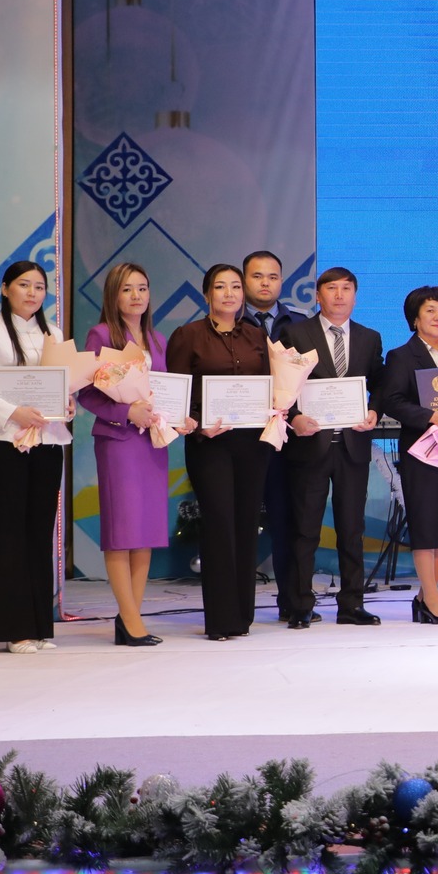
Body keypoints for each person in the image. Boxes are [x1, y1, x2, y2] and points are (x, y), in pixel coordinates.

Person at [0, 260, 69, 654]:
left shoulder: (53, 334)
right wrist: (12, 412)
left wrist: (66, 403)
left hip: (48, 443)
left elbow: (62, 384)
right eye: (24, 285)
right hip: (2, 442)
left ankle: (38, 627)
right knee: (10, 533)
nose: (32, 293)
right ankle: (14, 629)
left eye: (39, 286)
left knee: (39, 532)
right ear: (5, 289)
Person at [79, 262, 192, 647]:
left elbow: (163, 391)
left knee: (145, 532)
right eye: (127, 289)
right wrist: (126, 412)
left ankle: (130, 619)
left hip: (152, 443)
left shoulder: (157, 339)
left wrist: (180, 418)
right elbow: (87, 393)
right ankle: (131, 621)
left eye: (142, 288)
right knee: (122, 532)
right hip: (119, 442)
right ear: (113, 295)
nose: (136, 296)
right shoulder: (101, 335)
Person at [165, 263, 274, 640]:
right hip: (210, 445)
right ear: (207, 294)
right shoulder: (188, 335)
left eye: (235, 287)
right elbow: (175, 395)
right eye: (221, 287)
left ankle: (243, 615)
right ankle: (221, 619)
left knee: (246, 525)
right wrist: (198, 423)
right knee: (219, 525)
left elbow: (271, 384)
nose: (229, 293)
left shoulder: (256, 335)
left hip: (252, 443)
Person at [279, 268, 385, 628]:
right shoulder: (296, 333)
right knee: (305, 529)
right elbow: (281, 384)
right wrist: (294, 417)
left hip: (352, 446)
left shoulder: (369, 337)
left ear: (355, 295)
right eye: (331, 288)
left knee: (351, 529)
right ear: (317, 295)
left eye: (346, 288)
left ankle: (351, 604)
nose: (339, 295)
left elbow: (380, 383)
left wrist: (374, 410)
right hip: (310, 444)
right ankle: (300, 605)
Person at [380, 285, 438, 625]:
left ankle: (425, 597)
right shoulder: (401, 356)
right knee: (426, 523)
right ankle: (433, 598)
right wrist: (431, 416)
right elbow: (391, 400)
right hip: (422, 451)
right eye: (430, 310)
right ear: (415, 318)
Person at [239, 250, 303, 622]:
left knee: (288, 522)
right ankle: (236, 606)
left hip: (287, 440)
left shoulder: (300, 324)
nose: (265, 283)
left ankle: (293, 604)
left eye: (273, 276)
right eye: (257, 276)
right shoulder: (226, 322)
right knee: (240, 522)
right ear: (244, 280)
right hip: (240, 437)